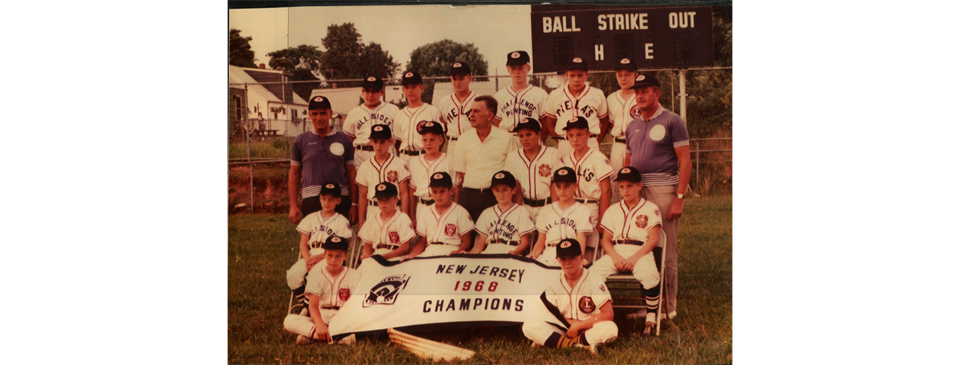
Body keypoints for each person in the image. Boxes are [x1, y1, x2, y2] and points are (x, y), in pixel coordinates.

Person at [624, 73, 692, 321]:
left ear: (657, 93)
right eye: (636, 91)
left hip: (664, 190)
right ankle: (651, 306)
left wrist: (680, 196)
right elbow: (628, 163)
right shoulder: (631, 124)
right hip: (638, 192)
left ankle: (669, 307)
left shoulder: (673, 120)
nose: (639, 95)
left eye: (645, 90)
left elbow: (685, 162)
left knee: (666, 249)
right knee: (644, 247)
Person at [590, 166, 662, 334]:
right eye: (621, 186)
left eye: (630, 185)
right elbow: (605, 240)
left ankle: (651, 314)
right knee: (592, 273)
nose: (625, 190)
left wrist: (635, 258)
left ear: (639, 185)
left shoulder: (650, 208)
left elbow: (653, 239)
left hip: (641, 250)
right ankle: (598, 311)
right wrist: (615, 257)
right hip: (617, 249)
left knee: (650, 274)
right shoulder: (613, 209)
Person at [522, 238, 617, 354]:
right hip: (563, 328)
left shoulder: (594, 279)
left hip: (588, 327)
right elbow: (550, 313)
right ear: (558, 260)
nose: (567, 262)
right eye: (563, 258)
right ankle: (580, 346)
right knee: (529, 325)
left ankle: (557, 343)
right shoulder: (554, 281)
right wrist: (572, 326)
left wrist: (578, 327)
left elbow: (608, 313)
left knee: (611, 329)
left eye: (572, 257)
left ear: (581, 258)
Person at [286, 183, 354, 316]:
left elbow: (341, 247)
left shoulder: (341, 221)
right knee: (293, 275)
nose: (327, 202)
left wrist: (320, 258)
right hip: (310, 254)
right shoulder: (311, 218)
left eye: (331, 199)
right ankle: (306, 303)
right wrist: (307, 259)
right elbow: (303, 244)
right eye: (324, 199)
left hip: (329, 257)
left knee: (315, 274)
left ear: (338, 201)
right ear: (319, 199)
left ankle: (307, 308)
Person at [288, 95, 357, 224]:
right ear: (309, 115)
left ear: (331, 114)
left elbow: (351, 172)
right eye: (314, 114)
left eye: (323, 113)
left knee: (339, 241)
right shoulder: (300, 141)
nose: (318, 118)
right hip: (312, 199)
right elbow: (294, 173)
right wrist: (293, 205)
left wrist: (354, 204)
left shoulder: (344, 140)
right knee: (314, 241)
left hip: (339, 199)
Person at [283, 235, 360, 345]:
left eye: (338, 256)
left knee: (363, 322)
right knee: (289, 321)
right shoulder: (316, 274)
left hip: (343, 316)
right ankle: (337, 337)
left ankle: (313, 336)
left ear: (345, 256)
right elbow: (313, 306)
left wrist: (341, 316)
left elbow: (355, 304)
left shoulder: (354, 275)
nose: (333, 260)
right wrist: (320, 325)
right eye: (330, 255)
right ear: (324, 255)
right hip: (321, 315)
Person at [453, 95, 520, 222]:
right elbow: (462, 173)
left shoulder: (506, 138)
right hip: (469, 197)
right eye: (470, 111)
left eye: (476, 111)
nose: (471, 115)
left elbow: (513, 173)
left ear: (490, 116)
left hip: (494, 198)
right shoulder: (463, 139)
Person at [557, 116, 613, 263]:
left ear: (588, 134)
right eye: (571, 136)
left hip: (591, 206)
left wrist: (603, 220)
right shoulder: (566, 160)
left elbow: (606, 190)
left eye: (579, 134)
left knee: (589, 249)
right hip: (571, 206)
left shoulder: (598, 158)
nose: (575, 139)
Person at [541, 57, 610, 158]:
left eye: (580, 75)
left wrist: (595, 141)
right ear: (566, 75)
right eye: (572, 75)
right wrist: (560, 141)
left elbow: (605, 122)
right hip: (565, 141)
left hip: (590, 141)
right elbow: (550, 123)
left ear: (587, 75)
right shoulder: (555, 95)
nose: (576, 79)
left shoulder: (597, 94)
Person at [526, 167, 594, 267]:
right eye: (558, 186)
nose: (562, 190)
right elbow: (541, 241)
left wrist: (580, 257)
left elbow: (581, 239)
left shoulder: (582, 210)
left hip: (571, 254)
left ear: (575, 186)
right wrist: (533, 254)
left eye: (566, 186)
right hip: (549, 253)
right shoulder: (546, 210)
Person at [354, 124, 411, 231]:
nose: (378, 145)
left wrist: (405, 217)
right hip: (373, 210)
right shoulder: (365, 166)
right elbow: (363, 196)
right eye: (375, 141)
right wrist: (361, 223)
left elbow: (404, 193)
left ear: (390, 141)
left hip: (395, 210)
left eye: (382, 141)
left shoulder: (399, 163)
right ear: (370, 141)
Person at [503, 117, 559, 219]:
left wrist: (555, 210)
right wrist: (518, 213)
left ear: (538, 135)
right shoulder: (513, 157)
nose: (525, 139)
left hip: (547, 206)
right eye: (521, 136)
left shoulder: (552, 154)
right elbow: (517, 189)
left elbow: (555, 186)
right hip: (525, 207)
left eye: (528, 134)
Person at [408, 120, 460, 230]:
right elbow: (412, 191)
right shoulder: (414, 162)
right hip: (422, 207)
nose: (428, 143)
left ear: (441, 140)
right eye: (425, 140)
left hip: (444, 207)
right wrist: (412, 216)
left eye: (432, 139)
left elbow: (456, 189)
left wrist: (454, 210)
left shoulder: (449, 160)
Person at [409, 172, 474, 258]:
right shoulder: (426, 211)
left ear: (451, 191)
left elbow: (467, 242)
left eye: (442, 191)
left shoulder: (460, 212)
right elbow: (422, 242)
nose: (438, 195)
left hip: (451, 249)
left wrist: (457, 252)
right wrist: (410, 255)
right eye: (435, 192)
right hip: (430, 250)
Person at [469, 171, 535, 255]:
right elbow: (479, 245)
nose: (501, 194)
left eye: (505, 190)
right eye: (497, 190)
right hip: (489, 251)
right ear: (493, 191)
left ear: (514, 190)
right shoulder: (487, 213)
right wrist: (467, 254)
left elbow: (525, 242)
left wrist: (515, 252)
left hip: (511, 249)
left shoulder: (521, 211)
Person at [342, 76, 400, 169]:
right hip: (362, 155)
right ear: (362, 91)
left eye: (374, 91)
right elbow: (349, 142)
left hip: (387, 154)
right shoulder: (354, 113)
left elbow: (399, 139)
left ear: (382, 92)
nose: (370, 95)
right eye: (367, 91)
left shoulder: (393, 110)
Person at [492, 51, 549, 141]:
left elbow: (545, 125)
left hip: (531, 139)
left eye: (520, 68)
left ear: (528, 68)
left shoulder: (540, 94)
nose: (517, 72)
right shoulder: (499, 95)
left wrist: (539, 142)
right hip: (506, 139)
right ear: (508, 69)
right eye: (513, 68)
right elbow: (497, 124)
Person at [605, 59, 640, 204]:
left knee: (637, 181)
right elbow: (611, 123)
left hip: (638, 145)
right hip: (618, 145)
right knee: (617, 182)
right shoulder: (611, 98)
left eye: (627, 74)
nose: (623, 78)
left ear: (635, 75)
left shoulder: (641, 95)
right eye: (620, 75)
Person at [393, 71, 443, 165]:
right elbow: (398, 142)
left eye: (413, 86)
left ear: (422, 88)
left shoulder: (432, 111)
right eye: (407, 87)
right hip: (404, 157)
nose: (410, 90)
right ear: (403, 90)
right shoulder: (399, 114)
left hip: (425, 156)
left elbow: (441, 139)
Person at [358, 182, 417, 261]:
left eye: (387, 199)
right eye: (380, 199)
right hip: (376, 255)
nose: (383, 203)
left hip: (396, 257)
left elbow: (405, 248)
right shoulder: (372, 219)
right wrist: (365, 256)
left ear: (396, 199)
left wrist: (382, 257)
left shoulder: (403, 218)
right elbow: (368, 245)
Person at [435, 62, 478, 165]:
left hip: (474, 143)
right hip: (453, 144)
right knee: (454, 177)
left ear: (470, 79)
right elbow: (444, 127)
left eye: (461, 78)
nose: (458, 82)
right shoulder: (445, 101)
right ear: (451, 79)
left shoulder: (478, 99)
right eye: (455, 79)